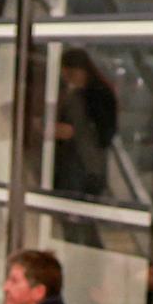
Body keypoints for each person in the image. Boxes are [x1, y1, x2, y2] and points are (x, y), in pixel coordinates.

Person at [48, 50, 122, 202]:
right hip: (84, 166)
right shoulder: (79, 94)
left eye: (71, 74)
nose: (69, 79)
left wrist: (72, 132)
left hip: (82, 167)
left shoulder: (92, 96)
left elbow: (104, 132)